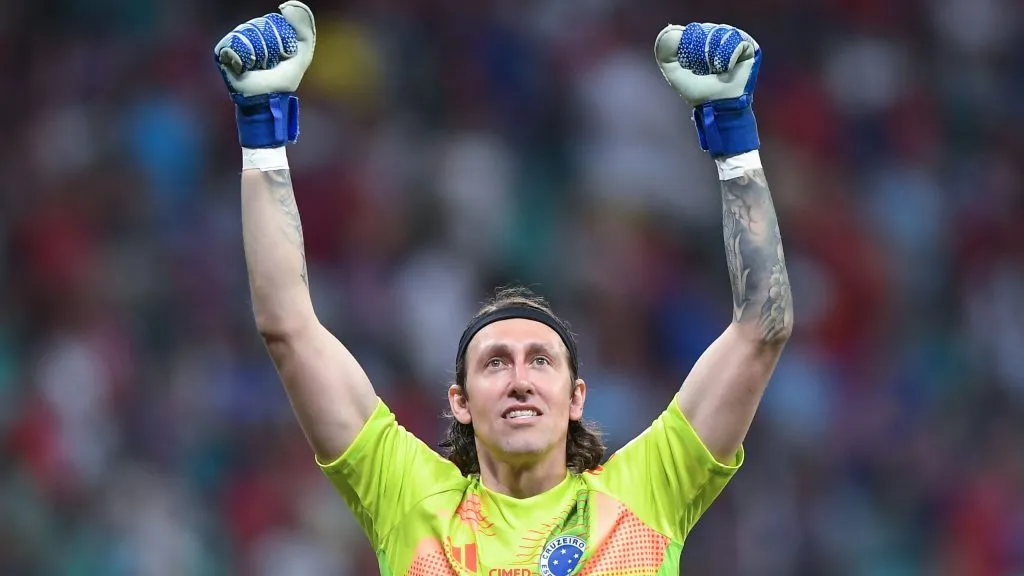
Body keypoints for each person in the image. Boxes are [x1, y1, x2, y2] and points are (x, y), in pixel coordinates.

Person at [213, 3, 793, 574]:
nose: (520, 379)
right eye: (495, 364)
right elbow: (287, 326)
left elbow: (761, 332)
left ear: (576, 398)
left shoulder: (643, 495)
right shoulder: (410, 500)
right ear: (459, 402)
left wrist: (734, 135)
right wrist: (263, 134)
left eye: (541, 361)